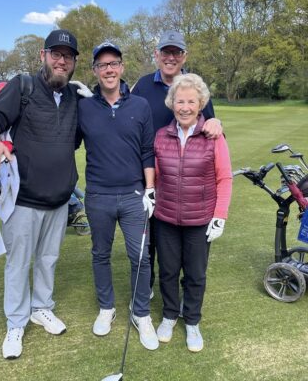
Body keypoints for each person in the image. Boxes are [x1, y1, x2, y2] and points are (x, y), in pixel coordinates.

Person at [0, 29, 82, 360]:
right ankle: (16, 322)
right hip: (23, 199)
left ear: (74, 62)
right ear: (43, 55)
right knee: (19, 263)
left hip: (60, 199)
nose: (61, 60)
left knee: (48, 260)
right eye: (56, 53)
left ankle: (42, 307)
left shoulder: (76, 98)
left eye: (68, 56)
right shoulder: (22, 86)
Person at [76, 42, 159, 350]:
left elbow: (147, 151)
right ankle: (106, 307)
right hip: (97, 195)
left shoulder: (140, 106)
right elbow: (64, 141)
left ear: (122, 67)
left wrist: (150, 190)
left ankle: (140, 313)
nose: (108, 69)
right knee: (100, 254)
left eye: (113, 63)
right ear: (95, 71)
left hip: (134, 195)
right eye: (102, 65)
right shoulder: (84, 107)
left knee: (140, 257)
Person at [132, 30, 222, 295]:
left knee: (177, 243)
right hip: (148, 174)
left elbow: (210, 126)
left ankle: (183, 291)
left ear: (184, 56)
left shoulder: (193, 85)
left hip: (183, 180)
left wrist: (217, 122)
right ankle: (146, 287)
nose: (171, 57)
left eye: (177, 52)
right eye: (166, 52)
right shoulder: (144, 84)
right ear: (157, 55)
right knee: (148, 239)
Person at [153, 73, 232, 352]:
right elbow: (158, 175)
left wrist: (219, 215)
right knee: (168, 271)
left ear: (201, 105)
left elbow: (224, 178)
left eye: (191, 101)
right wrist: (150, 194)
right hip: (166, 218)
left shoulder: (213, 136)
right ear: (172, 103)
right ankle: (170, 314)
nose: (184, 107)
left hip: (200, 220)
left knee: (196, 274)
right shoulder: (162, 135)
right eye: (179, 101)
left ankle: (192, 322)